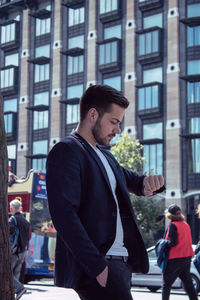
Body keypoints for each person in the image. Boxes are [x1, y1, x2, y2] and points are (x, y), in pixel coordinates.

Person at [46, 85, 165, 300]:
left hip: (119, 263)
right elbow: (64, 215)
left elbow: (134, 181)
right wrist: (96, 266)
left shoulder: (106, 156)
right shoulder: (67, 150)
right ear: (93, 115)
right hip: (99, 264)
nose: (118, 130)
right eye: (114, 121)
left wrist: (150, 183)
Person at [162, 204, 198, 300]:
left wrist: (163, 243)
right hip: (187, 258)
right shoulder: (186, 225)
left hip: (175, 258)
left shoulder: (173, 225)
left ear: (170, 214)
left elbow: (173, 243)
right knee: (188, 284)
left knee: (167, 284)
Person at [9, 199, 30, 299]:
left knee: (6, 272)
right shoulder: (26, 221)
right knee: (16, 274)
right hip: (23, 251)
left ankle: (19, 289)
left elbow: (9, 233)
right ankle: (14, 294)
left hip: (14, 251)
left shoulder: (13, 219)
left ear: (11, 208)